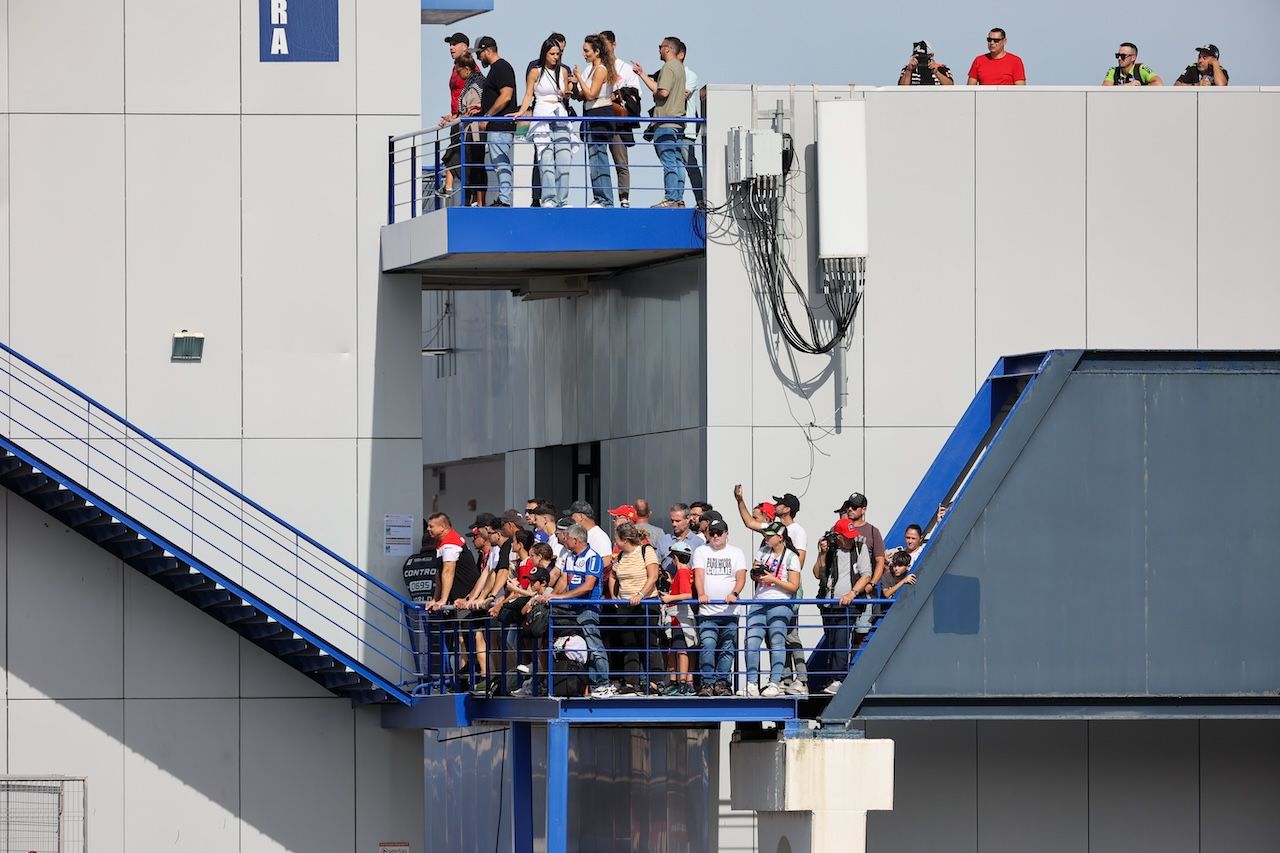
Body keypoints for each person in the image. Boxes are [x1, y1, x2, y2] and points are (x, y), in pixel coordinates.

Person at [510, 37, 578, 209]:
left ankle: (563, 200)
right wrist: (521, 111)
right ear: (545, 53)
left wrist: (566, 94)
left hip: (560, 114)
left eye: (558, 54)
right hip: (541, 115)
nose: (556, 57)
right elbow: (528, 95)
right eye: (552, 53)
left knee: (564, 158)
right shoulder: (535, 71)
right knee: (545, 159)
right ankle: (549, 198)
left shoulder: (563, 71)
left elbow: (565, 93)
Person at [546, 523, 611, 695]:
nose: (564, 540)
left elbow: (588, 586)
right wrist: (551, 595)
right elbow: (565, 581)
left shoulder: (592, 557)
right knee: (583, 649)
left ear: (576, 540)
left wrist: (560, 597)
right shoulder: (570, 557)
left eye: (567, 537)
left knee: (595, 647)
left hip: (588, 609)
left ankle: (603, 683)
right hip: (572, 609)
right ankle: (588, 685)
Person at [814, 518, 873, 695]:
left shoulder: (859, 548)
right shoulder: (831, 550)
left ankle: (839, 678)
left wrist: (852, 593)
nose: (850, 539)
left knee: (841, 639)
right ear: (838, 536)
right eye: (846, 536)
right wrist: (822, 553)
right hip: (828, 603)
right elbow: (818, 573)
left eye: (851, 535)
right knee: (831, 640)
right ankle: (831, 678)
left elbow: (866, 575)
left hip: (849, 605)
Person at [743, 521, 801, 697]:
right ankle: (752, 683)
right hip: (759, 601)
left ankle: (775, 683)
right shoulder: (762, 551)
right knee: (751, 642)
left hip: (781, 603)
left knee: (777, 642)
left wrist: (773, 579)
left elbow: (793, 586)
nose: (766, 537)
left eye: (769, 535)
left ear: (780, 537)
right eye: (765, 534)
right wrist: (756, 574)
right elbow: (754, 574)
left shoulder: (792, 556)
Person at [693, 517, 746, 697]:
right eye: (712, 533)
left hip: (729, 611)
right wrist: (701, 593)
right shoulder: (701, 551)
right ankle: (707, 683)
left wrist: (735, 593)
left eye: (719, 533)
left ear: (726, 534)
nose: (715, 536)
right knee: (707, 644)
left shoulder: (737, 552)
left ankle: (722, 683)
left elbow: (741, 577)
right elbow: (698, 575)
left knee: (727, 648)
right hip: (707, 611)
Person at [634, 37, 687, 208]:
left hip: (665, 122)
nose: (658, 50)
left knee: (669, 160)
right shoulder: (679, 67)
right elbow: (660, 87)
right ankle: (677, 198)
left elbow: (662, 92)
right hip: (677, 122)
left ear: (667, 49)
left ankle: (671, 198)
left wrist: (655, 96)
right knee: (677, 160)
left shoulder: (669, 67)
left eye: (660, 47)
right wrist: (642, 74)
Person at [609, 522, 660, 693]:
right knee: (629, 644)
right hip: (625, 605)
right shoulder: (621, 556)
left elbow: (653, 577)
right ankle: (631, 682)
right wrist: (613, 596)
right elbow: (613, 576)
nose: (615, 542)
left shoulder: (646, 551)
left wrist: (640, 594)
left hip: (646, 604)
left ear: (624, 539)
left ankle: (653, 682)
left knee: (649, 642)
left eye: (616, 539)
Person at [575, 34, 619, 208]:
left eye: (587, 51)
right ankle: (599, 196)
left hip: (600, 115)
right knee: (594, 157)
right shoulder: (593, 69)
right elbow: (586, 94)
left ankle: (605, 199)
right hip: (591, 114)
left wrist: (578, 77)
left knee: (599, 157)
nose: (584, 54)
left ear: (597, 51)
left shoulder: (600, 69)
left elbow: (591, 93)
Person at [473, 36, 517, 207]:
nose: (478, 57)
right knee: (498, 162)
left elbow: (506, 96)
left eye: (479, 53)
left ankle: (505, 199)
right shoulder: (497, 68)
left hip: (500, 125)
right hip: (497, 125)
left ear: (488, 50)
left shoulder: (501, 67)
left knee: (500, 161)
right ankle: (503, 198)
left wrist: (487, 115)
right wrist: (483, 107)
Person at [601, 31, 641, 208]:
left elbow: (636, 92)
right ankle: (602, 198)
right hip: (600, 119)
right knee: (599, 161)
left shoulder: (624, 68)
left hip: (618, 121)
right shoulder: (595, 68)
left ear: (613, 44)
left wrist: (620, 94)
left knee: (621, 162)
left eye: (605, 44)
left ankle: (624, 198)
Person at [658, 539, 696, 695]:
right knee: (673, 649)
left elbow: (687, 594)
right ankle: (675, 681)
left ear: (675, 557)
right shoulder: (682, 573)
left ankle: (682, 683)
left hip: (680, 618)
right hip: (675, 618)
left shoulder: (683, 572)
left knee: (681, 650)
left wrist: (669, 598)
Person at [451, 56, 487, 207]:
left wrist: (459, 117)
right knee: (473, 165)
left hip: (474, 132)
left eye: (458, 71)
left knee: (474, 165)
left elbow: (471, 110)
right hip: (472, 131)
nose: (457, 74)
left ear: (467, 69)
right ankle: (474, 200)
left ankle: (475, 201)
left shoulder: (475, 85)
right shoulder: (474, 82)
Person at [676, 43, 705, 207]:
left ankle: (700, 200)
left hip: (686, 129)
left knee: (690, 164)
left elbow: (680, 95)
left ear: (681, 55)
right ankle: (676, 199)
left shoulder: (690, 75)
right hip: (672, 128)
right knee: (675, 165)